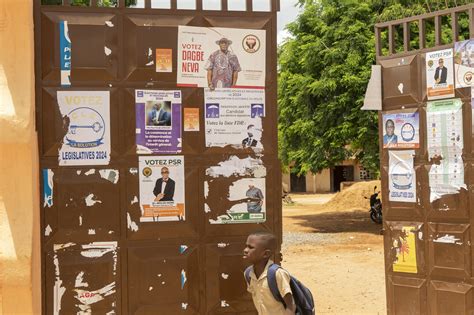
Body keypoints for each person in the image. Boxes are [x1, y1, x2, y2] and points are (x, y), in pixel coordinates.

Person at [243, 232, 296, 315]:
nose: (245, 250)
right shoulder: (248, 274)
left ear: (266, 254)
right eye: (246, 246)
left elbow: (291, 305)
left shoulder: (277, 274)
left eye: (251, 247)